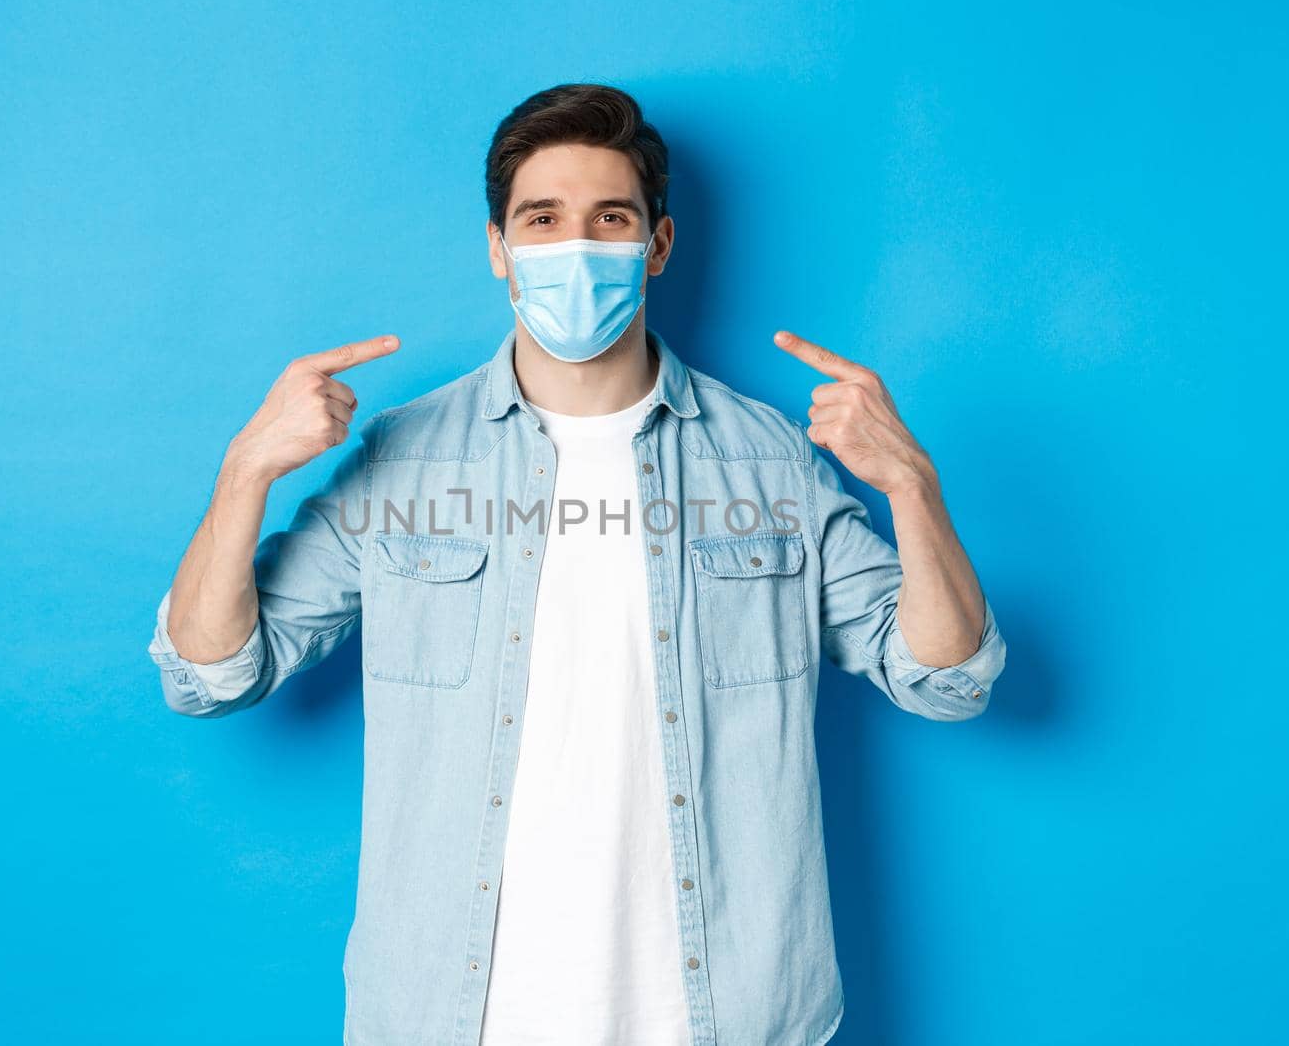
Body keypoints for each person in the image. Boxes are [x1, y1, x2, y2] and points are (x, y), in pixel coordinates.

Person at [146, 82, 1006, 1046]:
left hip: (723, 1013)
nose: (575, 247)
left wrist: (913, 489)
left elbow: (946, 678)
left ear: (658, 244)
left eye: (610, 219)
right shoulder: (405, 459)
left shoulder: (771, 463)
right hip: (453, 1015)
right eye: (542, 219)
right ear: (499, 249)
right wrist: (245, 470)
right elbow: (209, 673)